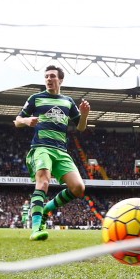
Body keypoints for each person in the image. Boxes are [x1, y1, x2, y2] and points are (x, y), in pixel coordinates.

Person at [14, 64, 90, 241]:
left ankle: (46, 209)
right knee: (43, 181)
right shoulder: (36, 98)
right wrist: (26, 121)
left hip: (61, 151)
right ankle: (35, 228)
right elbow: (16, 121)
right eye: (46, 76)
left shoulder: (68, 102)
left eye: (52, 76)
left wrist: (85, 114)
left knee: (78, 188)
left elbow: (81, 127)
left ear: (60, 80)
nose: (48, 79)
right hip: (41, 148)